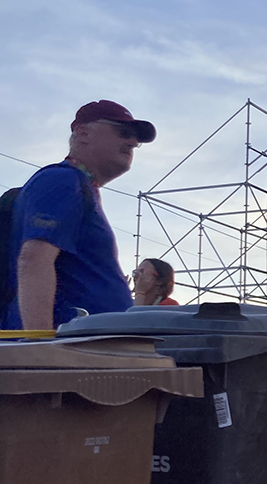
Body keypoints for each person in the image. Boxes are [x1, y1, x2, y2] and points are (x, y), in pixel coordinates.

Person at [4, 100, 155, 330]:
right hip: (71, 349)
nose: (132, 142)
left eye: (136, 140)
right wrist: (41, 345)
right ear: (83, 133)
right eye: (123, 132)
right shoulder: (62, 180)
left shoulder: (79, 186)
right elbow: (34, 259)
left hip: (84, 347)